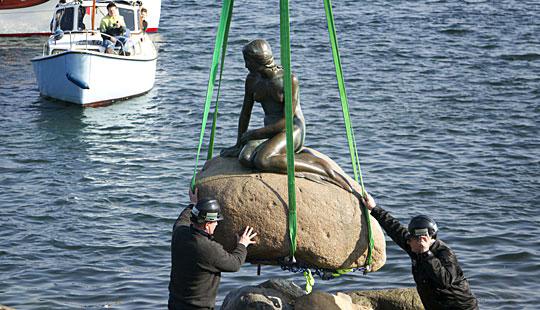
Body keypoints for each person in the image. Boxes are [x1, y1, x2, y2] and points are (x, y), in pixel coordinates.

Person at [220, 39, 352, 190]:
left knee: (263, 161)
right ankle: (287, 156)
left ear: (258, 61)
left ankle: (324, 171)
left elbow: (287, 120)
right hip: (270, 131)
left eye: (247, 61)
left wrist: (253, 133)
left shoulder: (288, 79)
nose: (245, 66)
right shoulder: (252, 79)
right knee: (245, 158)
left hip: (292, 129)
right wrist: (239, 143)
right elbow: (245, 112)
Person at [360, 192, 479, 310]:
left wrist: (426, 254)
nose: (407, 241)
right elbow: (395, 229)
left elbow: (445, 281)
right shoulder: (414, 247)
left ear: (421, 239)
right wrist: (374, 208)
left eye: (411, 237)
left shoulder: (445, 253)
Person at [168, 188, 257, 309]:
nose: (217, 224)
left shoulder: (179, 232)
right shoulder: (208, 249)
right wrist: (242, 244)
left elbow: (183, 218)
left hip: (174, 303)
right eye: (215, 221)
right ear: (207, 225)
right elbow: (234, 264)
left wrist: (193, 204)